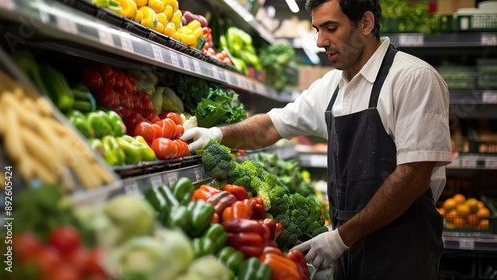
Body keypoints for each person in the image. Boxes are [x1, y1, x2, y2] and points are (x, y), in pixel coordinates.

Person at [181, 0, 452, 278]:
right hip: (348, 247)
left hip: (402, 250)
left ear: (366, 23)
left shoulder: (413, 78)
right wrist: (218, 134)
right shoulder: (332, 87)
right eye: (317, 29)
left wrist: (340, 238)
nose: (321, 41)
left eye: (331, 28)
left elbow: (414, 174)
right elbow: (271, 126)